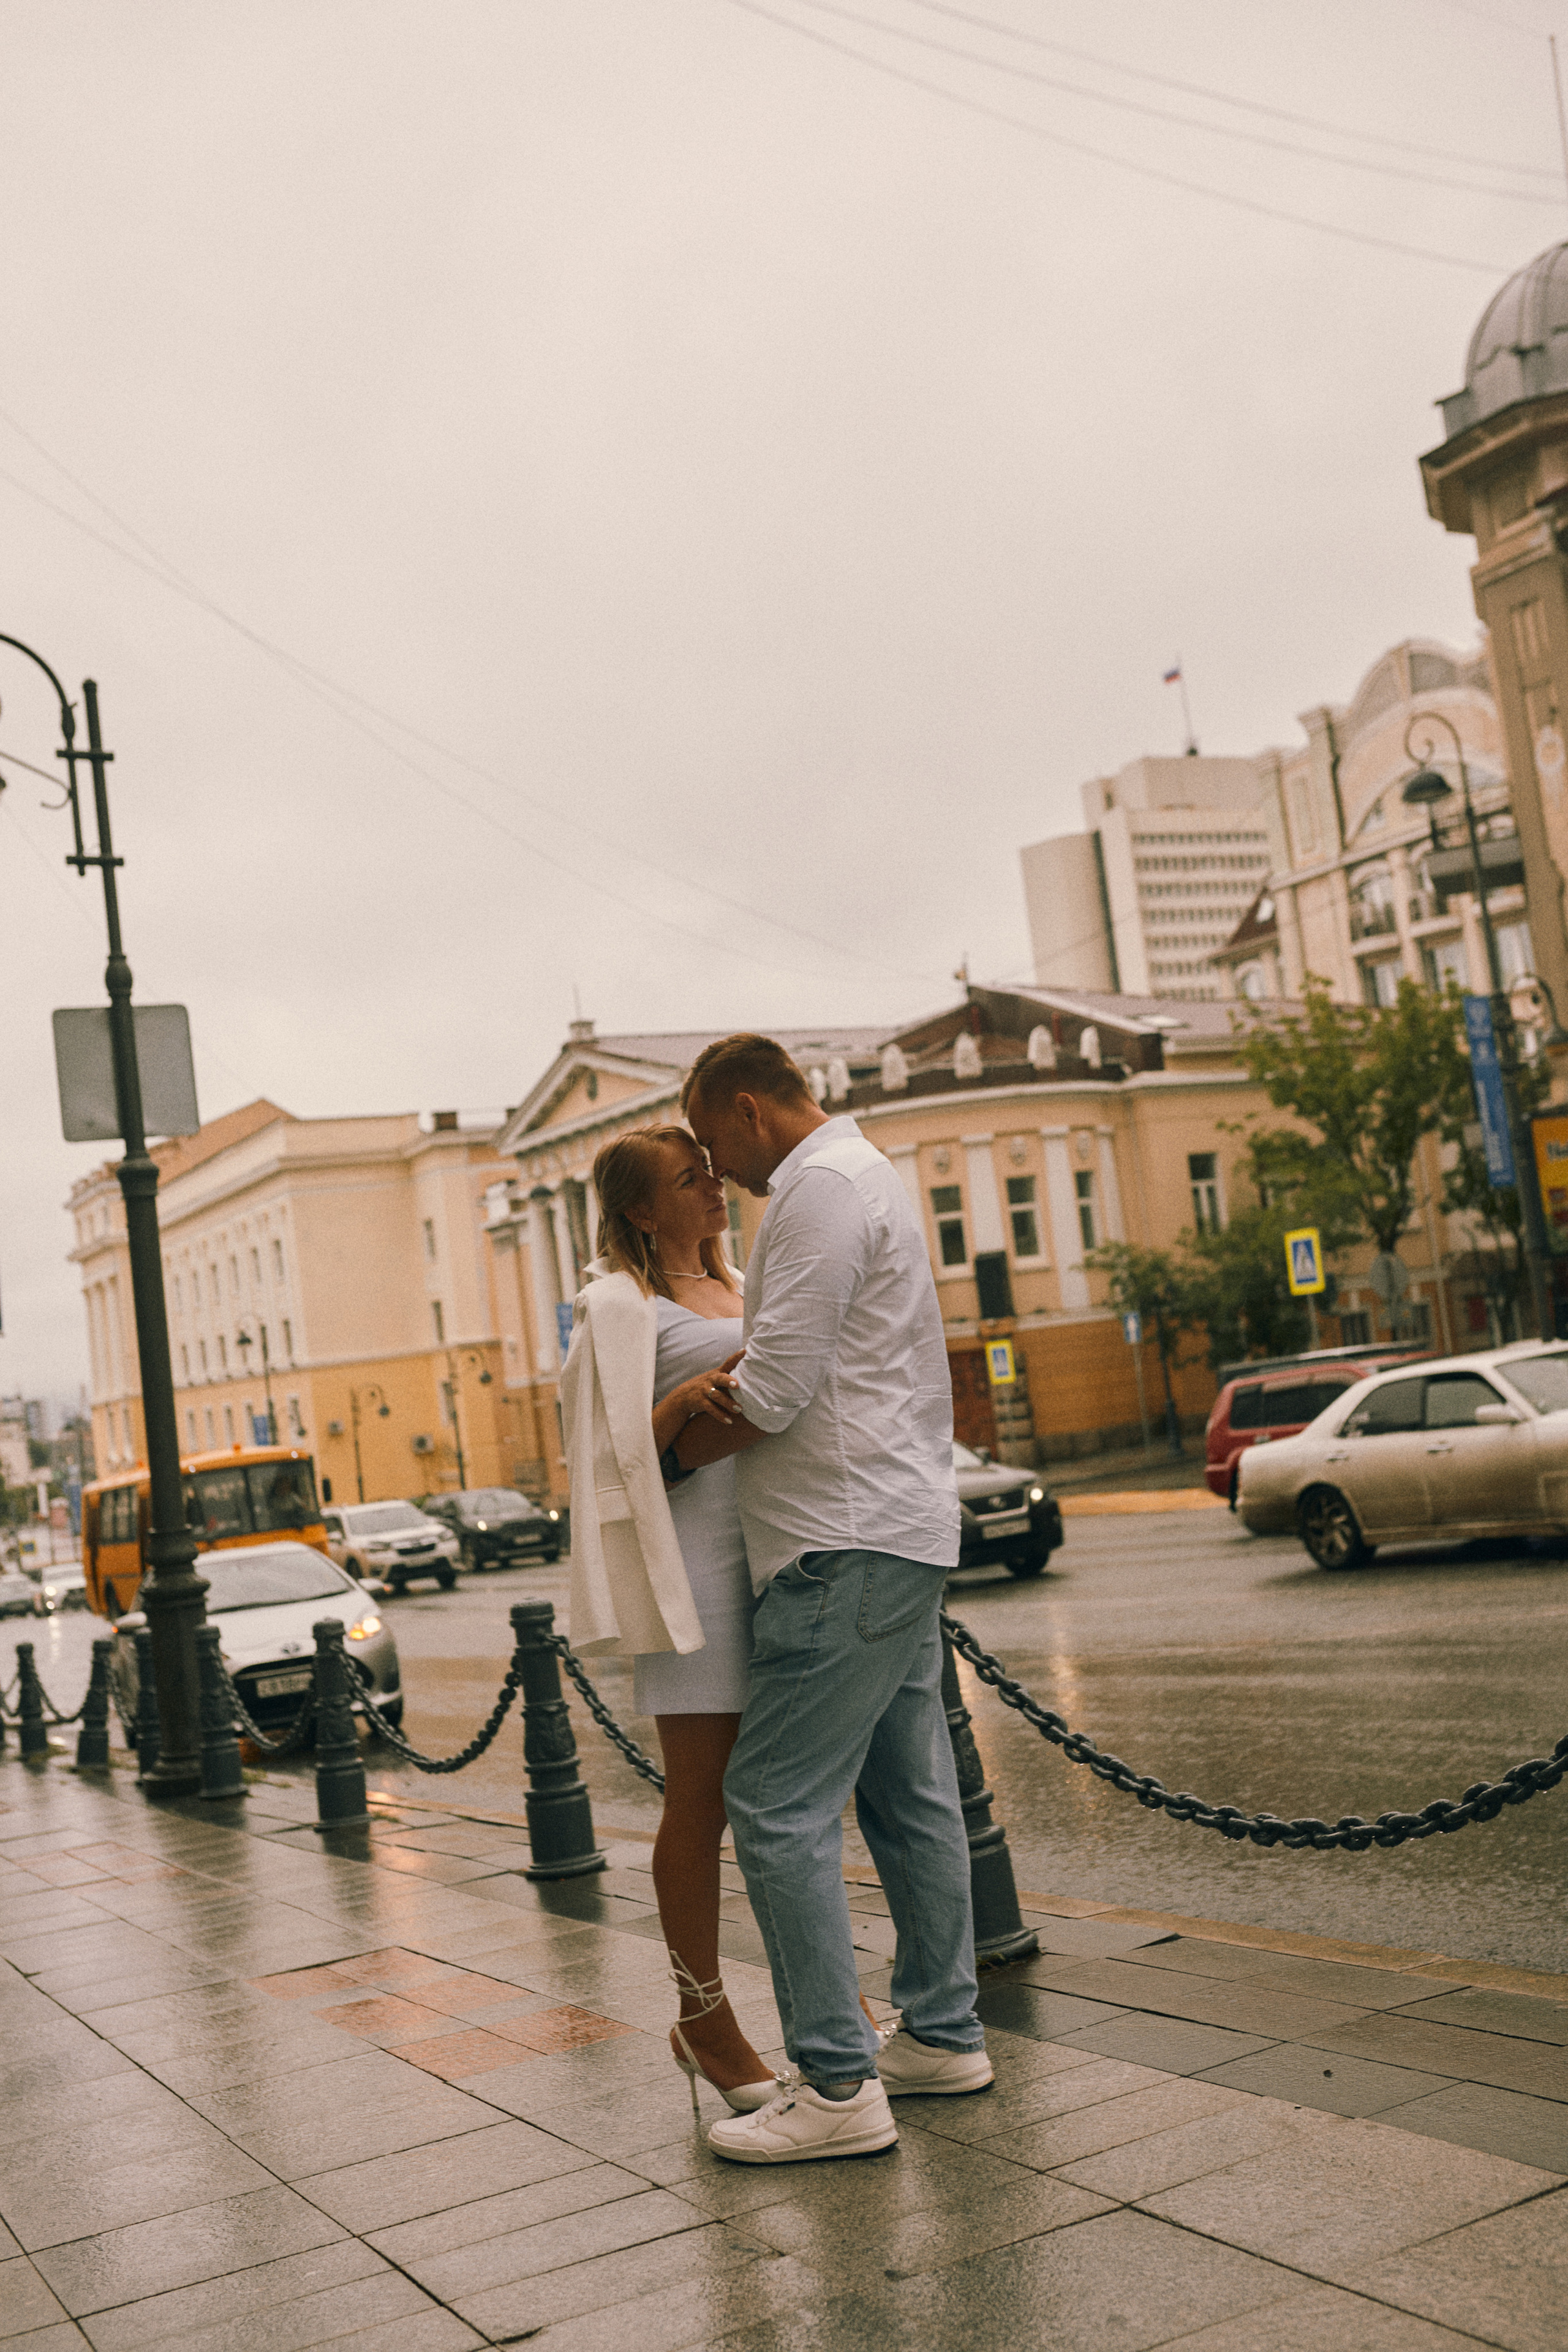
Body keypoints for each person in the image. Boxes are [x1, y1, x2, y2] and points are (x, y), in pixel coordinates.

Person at [676, 1034, 990, 2166]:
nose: (725, 1172)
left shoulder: (810, 1192)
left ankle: (837, 2083)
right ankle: (943, 2035)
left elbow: (775, 1388)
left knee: (772, 1802)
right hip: (898, 1530)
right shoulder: (872, 1174)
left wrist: (673, 1427)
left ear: (752, 1110)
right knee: (912, 1794)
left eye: (719, 1144)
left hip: (839, 1542)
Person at [560, 1125, 776, 2115]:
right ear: (643, 1210)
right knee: (704, 1800)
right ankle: (703, 2013)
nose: (715, 1188)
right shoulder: (617, 1306)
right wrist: (673, 1406)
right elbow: (597, 1465)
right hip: (696, 1572)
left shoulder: (743, 1282)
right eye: (692, 1180)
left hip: (779, 1554)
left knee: (787, 1798)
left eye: (714, 1173)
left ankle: (814, 1994)